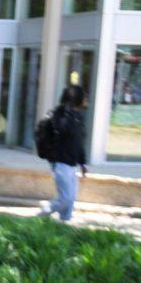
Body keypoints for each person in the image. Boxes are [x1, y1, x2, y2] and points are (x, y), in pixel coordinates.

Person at [40, 85, 88, 223]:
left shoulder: (78, 118)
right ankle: (40, 216)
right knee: (65, 198)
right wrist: (66, 112)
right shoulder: (63, 116)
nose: (86, 99)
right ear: (76, 99)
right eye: (84, 96)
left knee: (71, 199)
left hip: (72, 165)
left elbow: (78, 142)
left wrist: (82, 163)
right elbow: (61, 133)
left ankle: (64, 224)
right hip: (61, 163)